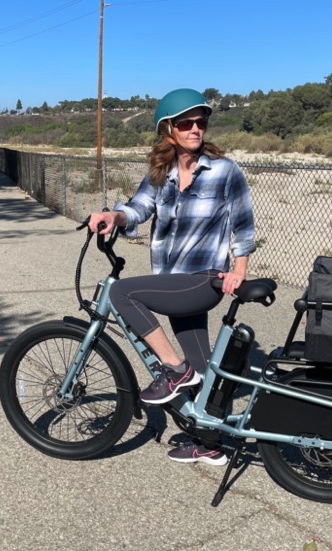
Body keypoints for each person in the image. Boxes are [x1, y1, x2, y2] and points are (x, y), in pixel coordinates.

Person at [88, 88, 257, 466]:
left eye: (201, 122)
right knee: (204, 365)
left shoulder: (224, 171)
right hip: (173, 277)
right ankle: (210, 439)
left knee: (123, 294)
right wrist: (113, 217)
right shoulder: (161, 173)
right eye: (186, 123)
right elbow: (139, 208)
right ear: (169, 131)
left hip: (203, 279)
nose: (196, 129)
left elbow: (243, 223)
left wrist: (239, 270)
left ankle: (173, 371)